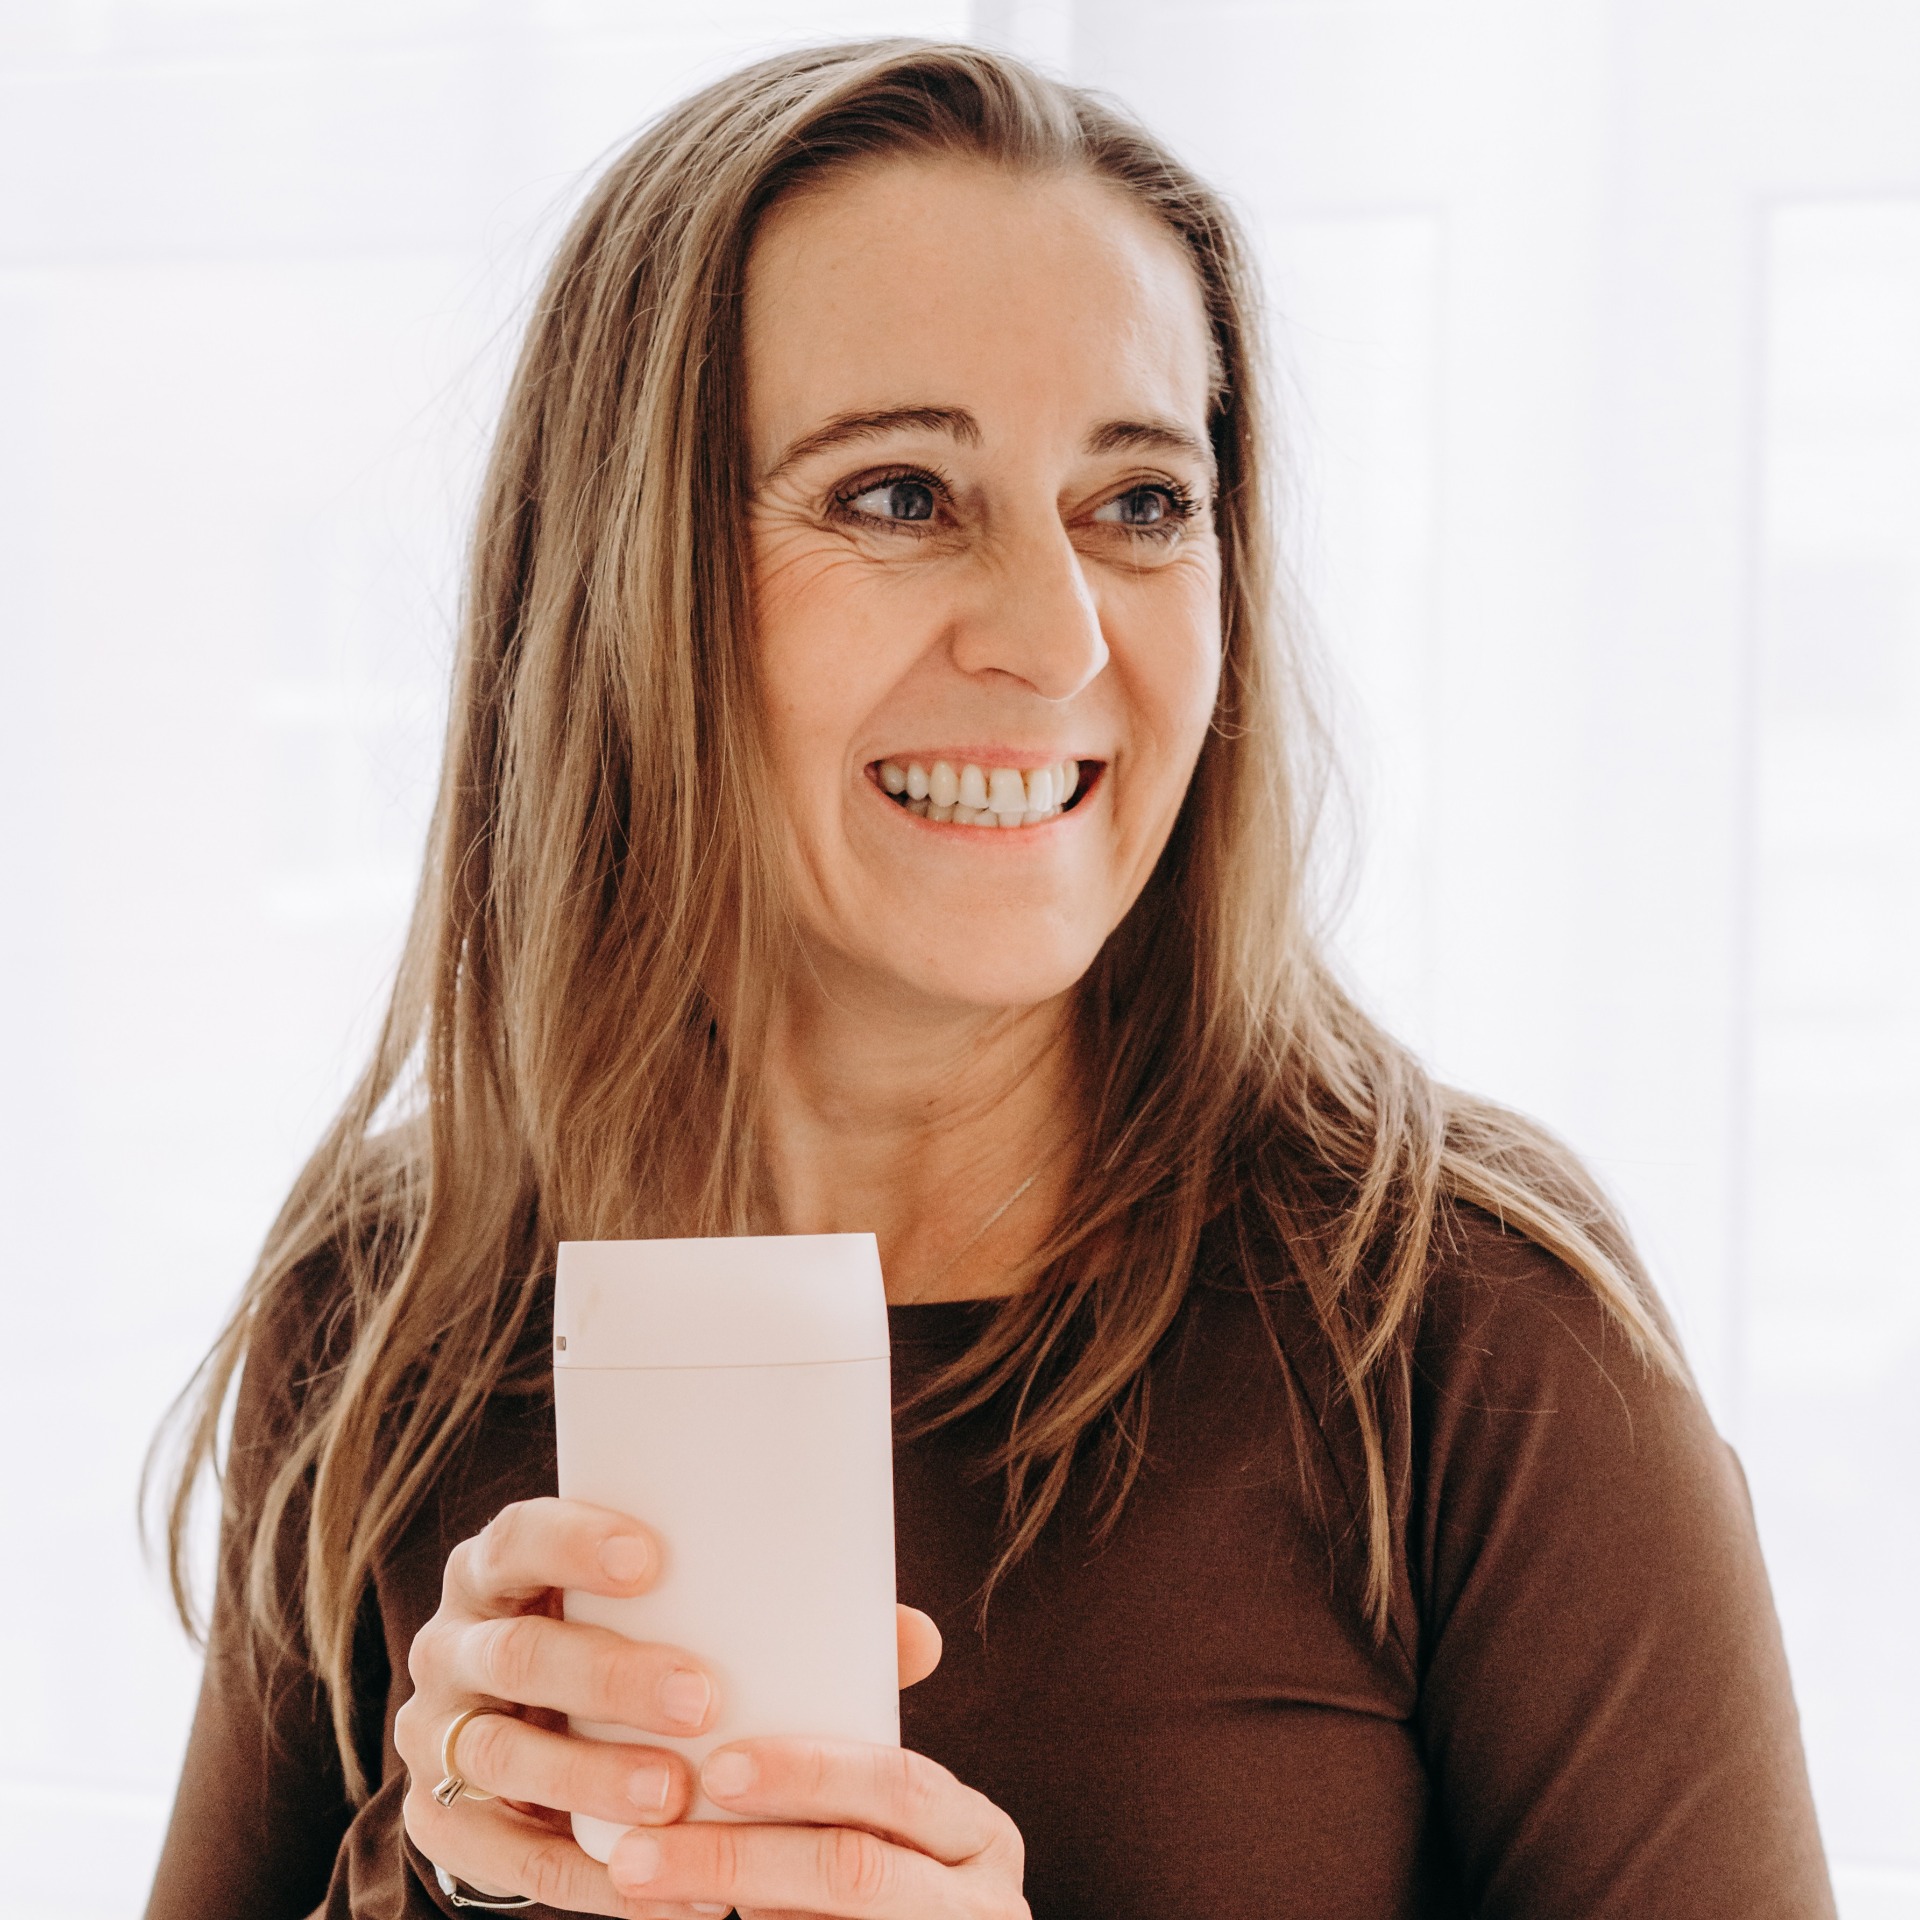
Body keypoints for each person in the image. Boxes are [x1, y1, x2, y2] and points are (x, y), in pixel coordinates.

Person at [145, 39, 1835, 1920]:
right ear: (623, 580)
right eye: (898, 496)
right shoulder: (389, 1304)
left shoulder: (1466, 1328)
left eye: (1142, 503)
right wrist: (445, 1884)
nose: (1058, 637)